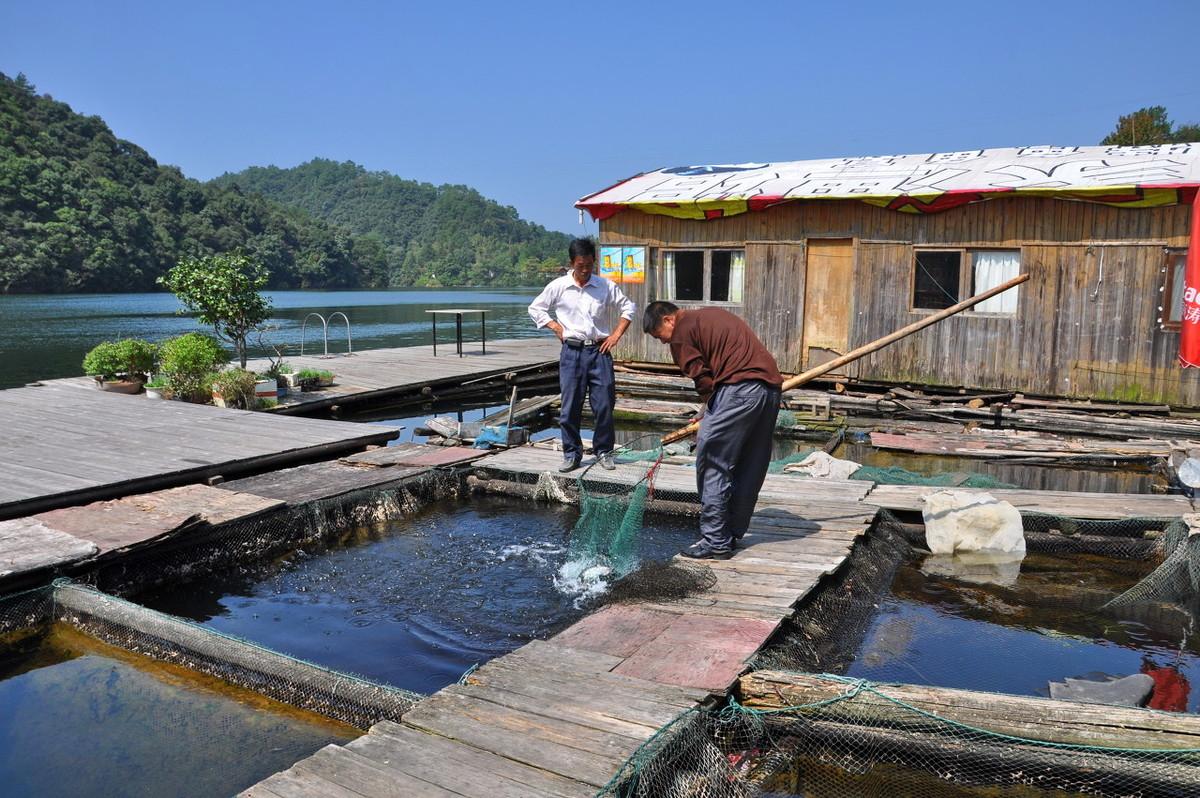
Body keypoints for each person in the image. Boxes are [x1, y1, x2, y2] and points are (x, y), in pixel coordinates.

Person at [643, 301, 783, 559]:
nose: (662, 343)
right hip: (770, 392)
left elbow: (704, 380)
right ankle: (731, 532)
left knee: (712, 461)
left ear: (667, 320)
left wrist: (710, 414)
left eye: (657, 336)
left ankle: (716, 541)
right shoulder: (709, 315)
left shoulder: (680, 333)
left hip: (739, 391)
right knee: (750, 463)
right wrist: (709, 412)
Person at [529, 238, 635, 472]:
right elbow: (535, 308)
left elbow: (628, 308)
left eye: (589, 265)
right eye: (580, 266)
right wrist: (556, 327)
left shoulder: (605, 286)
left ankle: (604, 451)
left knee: (605, 404)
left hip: (599, 351)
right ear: (571, 263)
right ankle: (572, 453)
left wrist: (616, 335)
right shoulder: (559, 286)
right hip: (572, 352)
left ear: (594, 262)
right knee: (569, 407)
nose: (585, 270)